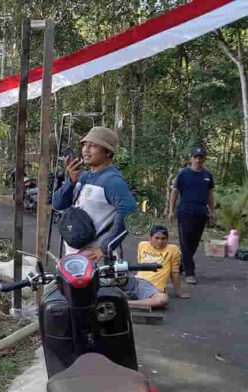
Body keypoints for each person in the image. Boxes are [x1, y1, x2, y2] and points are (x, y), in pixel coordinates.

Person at [52, 126, 137, 260]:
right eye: (85, 145)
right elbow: (57, 204)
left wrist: (105, 247)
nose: (86, 149)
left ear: (108, 152)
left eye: (93, 146)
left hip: (97, 262)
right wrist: (71, 181)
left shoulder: (112, 180)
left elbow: (129, 211)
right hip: (74, 257)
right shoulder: (82, 176)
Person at [168, 147, 215, 285]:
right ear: (191, 159)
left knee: (193, 244)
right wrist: (171, 210)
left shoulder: (207, 175)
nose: (198, 160)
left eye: (201, 157)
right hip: (185, 212)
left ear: (204, 159)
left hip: (201, 213)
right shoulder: (183, 174)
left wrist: (212, 211)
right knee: (185, 243)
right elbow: (175, 192)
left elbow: (210, 195)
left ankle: (181, 265)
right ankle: (190, 272)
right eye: (196, 157)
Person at [122, 225, 191, 308]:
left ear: (167, 239)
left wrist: (178, 292)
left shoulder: (173, 249)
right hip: (135, 280)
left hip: (152, 286)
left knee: (162, 299)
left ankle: (127, 304)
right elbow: (140, 264)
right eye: (157, 238)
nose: (160, 241)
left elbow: (174, 272)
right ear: (150, 238)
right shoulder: (142, 245)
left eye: (163, 238)